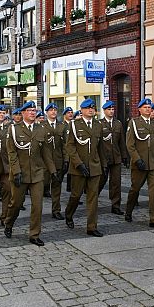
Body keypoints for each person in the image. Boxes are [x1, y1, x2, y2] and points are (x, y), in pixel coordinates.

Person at [4, 101, 56, 246]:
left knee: (37, 205)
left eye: (34, 110)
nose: (33, 112)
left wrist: (52, 170)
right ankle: (9, 223)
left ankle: (34, 234)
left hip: (37, 173)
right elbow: (12, 153)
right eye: (30, 110)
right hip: (20, 173)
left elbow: (46, 152)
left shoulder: (41, 129)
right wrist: (16, 171)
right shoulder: (14, 129)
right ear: (23, 113)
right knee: (16, 203)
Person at [65, 98, 107, 237]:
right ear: (82, 110)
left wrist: (104, 164)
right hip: (78, 167)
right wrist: (79, 164)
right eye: (88, 108)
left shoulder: (98, 125)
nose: (91, 110)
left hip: (94, 166)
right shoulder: (74, 125)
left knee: (93, 197)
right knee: (76, 195)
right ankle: (69, 214)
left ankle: (91, 226)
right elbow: (70, 146)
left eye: (93, 108)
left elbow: (100, 147)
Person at [124, 99, 154, 229]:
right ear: (140, 109)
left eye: (150, 107)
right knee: (135, 189)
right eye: (145, 107)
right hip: (139, 164)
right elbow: (130, 145)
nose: (148, 109)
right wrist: (137, 159)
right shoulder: (134, 123)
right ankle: (128, 211)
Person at [98, 100, 129, 215]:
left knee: (116, 182)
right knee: (101, 180)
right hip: (104, 158)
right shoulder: (99, 124)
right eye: (109, 110)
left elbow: (122, 141)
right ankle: (93, 197)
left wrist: (124, 156)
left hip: (116, 157)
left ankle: (115, 205)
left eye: (112, 109)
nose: (111, 112)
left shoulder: (118, 124)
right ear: (104, 111)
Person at [42, 102, 68, 220]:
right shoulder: (41, 126)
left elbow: (65, 145)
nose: (53, 112)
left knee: (56, 187)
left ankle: (56, 210)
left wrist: (66, 160)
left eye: (55, 110)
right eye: (51, 110)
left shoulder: (62, 126)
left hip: (58, 161)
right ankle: (37, 210)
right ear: (46, 112)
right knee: (41, 187)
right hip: (44, 163)